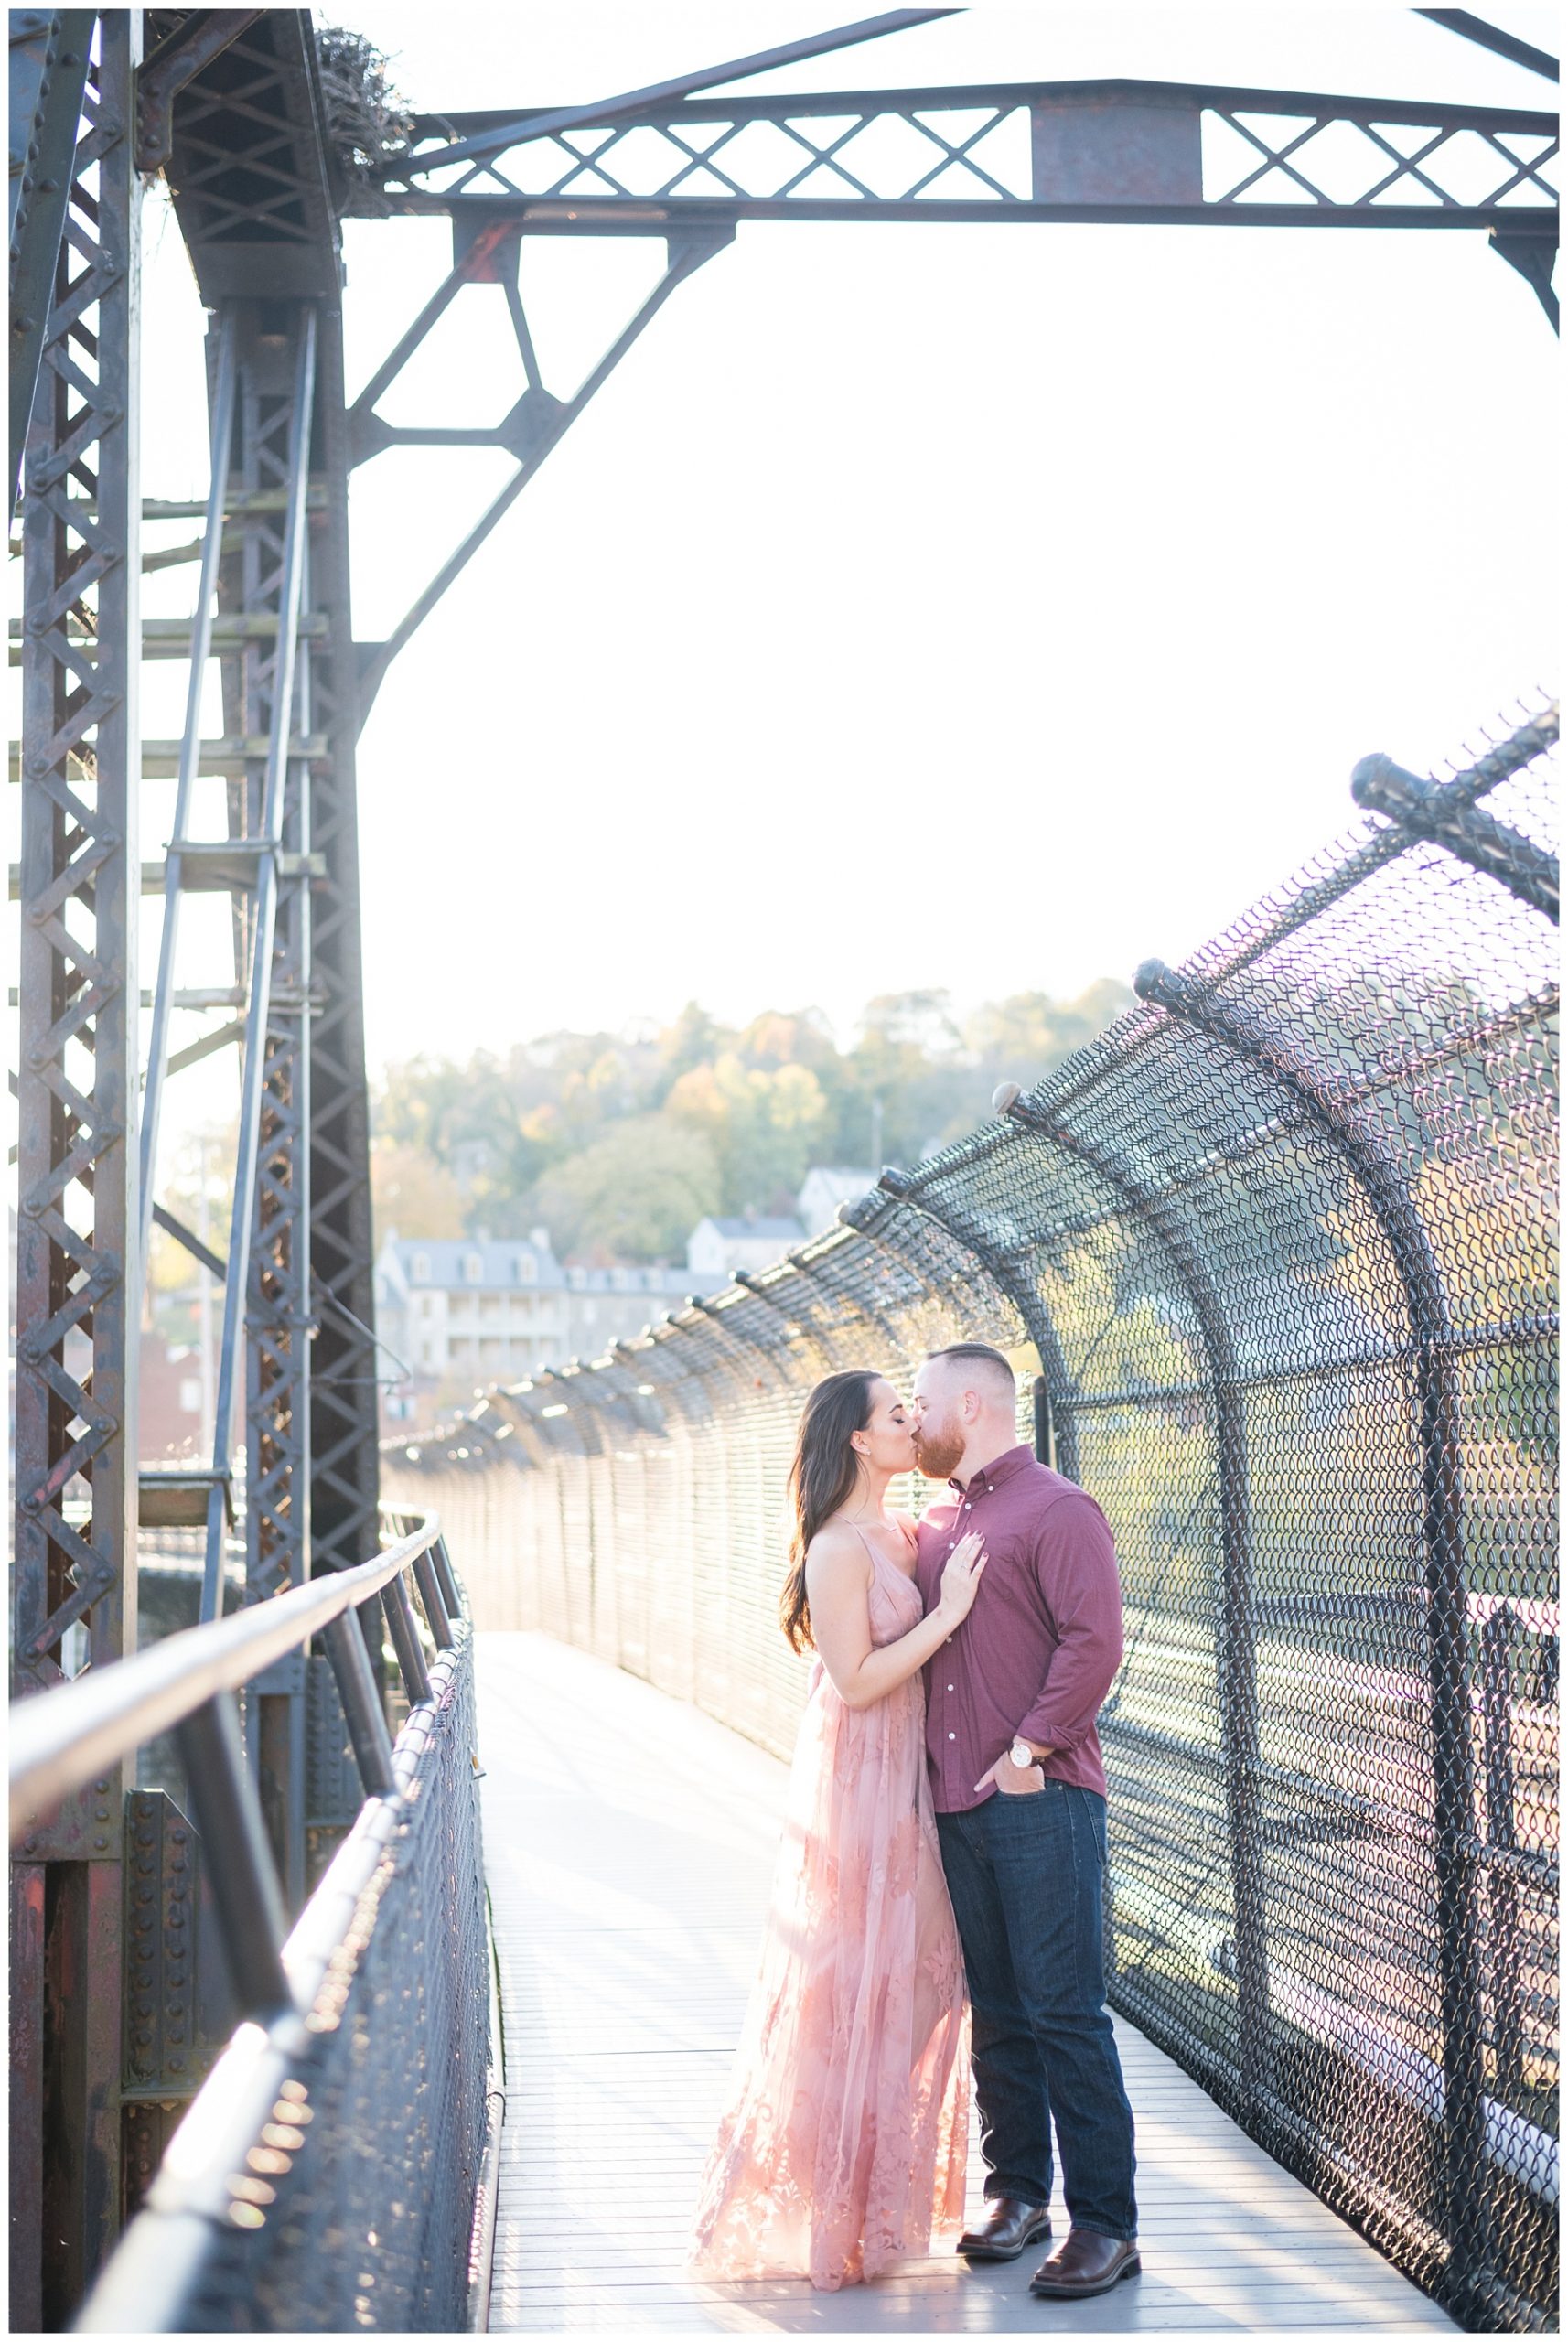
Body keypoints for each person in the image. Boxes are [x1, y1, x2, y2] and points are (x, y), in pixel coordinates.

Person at [687, 1367, 987, 2292]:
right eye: (895, 1414)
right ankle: (822, 2203)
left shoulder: (909, 1525)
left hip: (915, 1775)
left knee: (925, 1979)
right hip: (862, 1781)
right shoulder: (837, 1547)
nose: (911, 1421)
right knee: (850, 1979)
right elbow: (855, 1679)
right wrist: (945, 1615)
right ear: (858, 1440)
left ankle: (861, 2192)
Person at [909, 1340, 1141, 2302]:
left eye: (921, 1404)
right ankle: (1017, 2196)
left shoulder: (1058, 1509)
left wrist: (1025, 1754)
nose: (913, 1422)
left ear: (973, 1403)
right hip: (954, 1804)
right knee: (996, 2011)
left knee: (1063, 2009)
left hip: (1037, 1797)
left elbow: (1095, 1644)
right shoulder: (930, 1523)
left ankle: (1105, 2224)